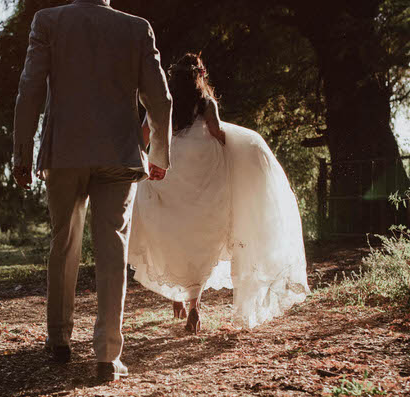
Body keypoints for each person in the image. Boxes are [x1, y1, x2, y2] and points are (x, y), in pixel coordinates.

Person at [13, 0, 172, 382]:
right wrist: (160, 155)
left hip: (64, 152)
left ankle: (58, 341)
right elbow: (160, 98)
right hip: (118, 152)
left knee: (63, 243)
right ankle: (106, 355)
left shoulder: (47, 22)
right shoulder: (137, 28)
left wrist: (21, 154)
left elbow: (30, 89)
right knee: (112, 249)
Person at [128, 53, 310, 333]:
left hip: (168, 170)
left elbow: (143, 135)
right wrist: (237, 150)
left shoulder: (161, 102)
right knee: (201, 235)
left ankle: (181, 295)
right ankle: (193, 305)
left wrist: (148, 158)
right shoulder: (205, 103)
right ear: (200, 76)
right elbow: (215, 130)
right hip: (201, 172)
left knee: (173, 231)